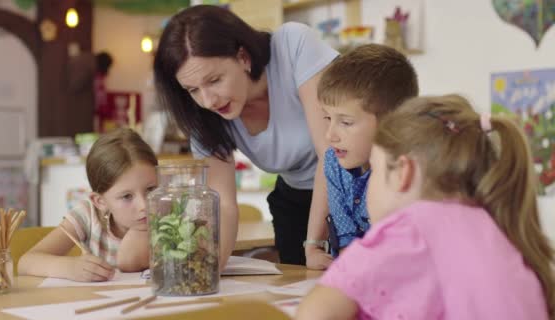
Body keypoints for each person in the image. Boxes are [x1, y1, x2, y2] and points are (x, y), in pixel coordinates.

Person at [296, 94, 554, 319]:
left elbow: (315, 314)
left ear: (403, 172)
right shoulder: (494, 224)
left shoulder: (408, 230)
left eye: (375, 169)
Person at [153, 5, 338, 267]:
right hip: (294, 202)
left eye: (215, 80)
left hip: (352, 188)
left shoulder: (293, 45)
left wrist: (314, 243)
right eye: (193, 89)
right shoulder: (203, 117)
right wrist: (207, 268)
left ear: (243, 57)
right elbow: (223, 205)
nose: (207, 100)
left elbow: (330, 154)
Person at [318, 44, 418, 258]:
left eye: (345, 122)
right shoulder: (333, 161)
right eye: (327, 118)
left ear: (390, 123)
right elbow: (344, 235)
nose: (330, 135)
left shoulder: (408, 172)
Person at [18, 128, 158, 281]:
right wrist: (69, 267)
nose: (144, 205)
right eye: (126, 196)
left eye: (151, 189)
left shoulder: (171, 214)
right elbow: (26, 262)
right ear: (100, 201)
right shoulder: (88, 215)